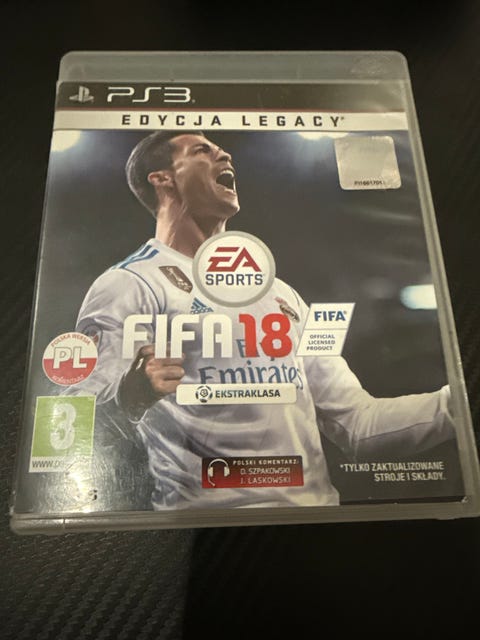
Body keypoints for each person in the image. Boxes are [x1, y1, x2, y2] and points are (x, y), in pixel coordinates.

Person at [70, 130, 454, 510]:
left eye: (222, 150)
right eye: (203, 150)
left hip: (313, 524)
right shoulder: (129, 284)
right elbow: (70, 425)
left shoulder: (283, 294)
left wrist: (458, 404)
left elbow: (359, 425)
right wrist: (129, 397)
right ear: (163, 179)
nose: (225, 156)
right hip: (205, 529)